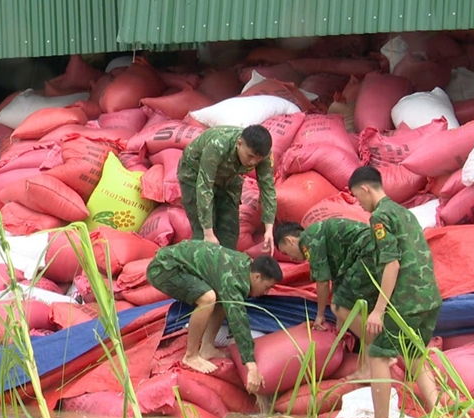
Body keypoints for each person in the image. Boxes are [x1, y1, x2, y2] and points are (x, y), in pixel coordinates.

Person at [347, 166, 444, 418]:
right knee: (415, 356)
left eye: (357, 196)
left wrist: (378, 310)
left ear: (365, 189)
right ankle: (440, 417)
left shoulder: (380, 217)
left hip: (406, 300)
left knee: (378, 354)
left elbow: (392, 264)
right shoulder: (404, 212)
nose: (359, 203)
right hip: (429, 297)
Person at [146, 240, 283, 392]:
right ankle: (191, 355)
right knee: (208, 298)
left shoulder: (244, 266)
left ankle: (207, 347)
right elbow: (238, 321)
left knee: (223, 299)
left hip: (178, 265)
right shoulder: (233, 279)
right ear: (256, 277)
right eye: (267, 287)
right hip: (164, 268)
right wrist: (251, 366)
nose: (266, 293)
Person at [274, 219, 382, 379]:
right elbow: (338, 278)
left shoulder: (309, 240)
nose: (290, 258)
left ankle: (381, 352)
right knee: (359, 314)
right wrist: (341, 320)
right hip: (372, 253)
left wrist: (320, 316)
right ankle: (368, 368)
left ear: (290, 240)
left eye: (285, 253)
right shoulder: (319, 236)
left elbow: (323, 282)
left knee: (339, 306)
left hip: (367, 254)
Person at [177, 125, 276, 251]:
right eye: (250, 156)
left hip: (228, 176)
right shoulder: (218, 145)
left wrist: (269, 229)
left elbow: (268, 189)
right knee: (203, 235)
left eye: (258, 159)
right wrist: (208, 233)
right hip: (195, 173)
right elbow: (204, 187)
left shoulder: (264, 154)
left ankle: (223, 262)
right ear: (239, 144)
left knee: (229, 232)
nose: (253, 162)